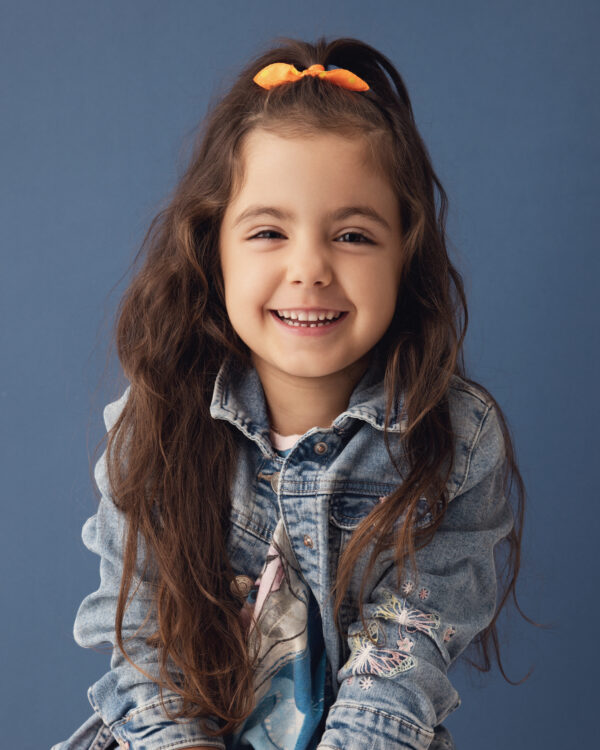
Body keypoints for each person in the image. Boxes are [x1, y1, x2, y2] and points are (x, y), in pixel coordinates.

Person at [52, 35, 530, 750]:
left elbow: (401, 661)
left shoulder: (455, 443)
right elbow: (142, 641)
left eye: (354, 236)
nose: (309, 268)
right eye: (270, 231)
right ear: (214, 248)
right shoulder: (154, 423)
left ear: (407, 250)